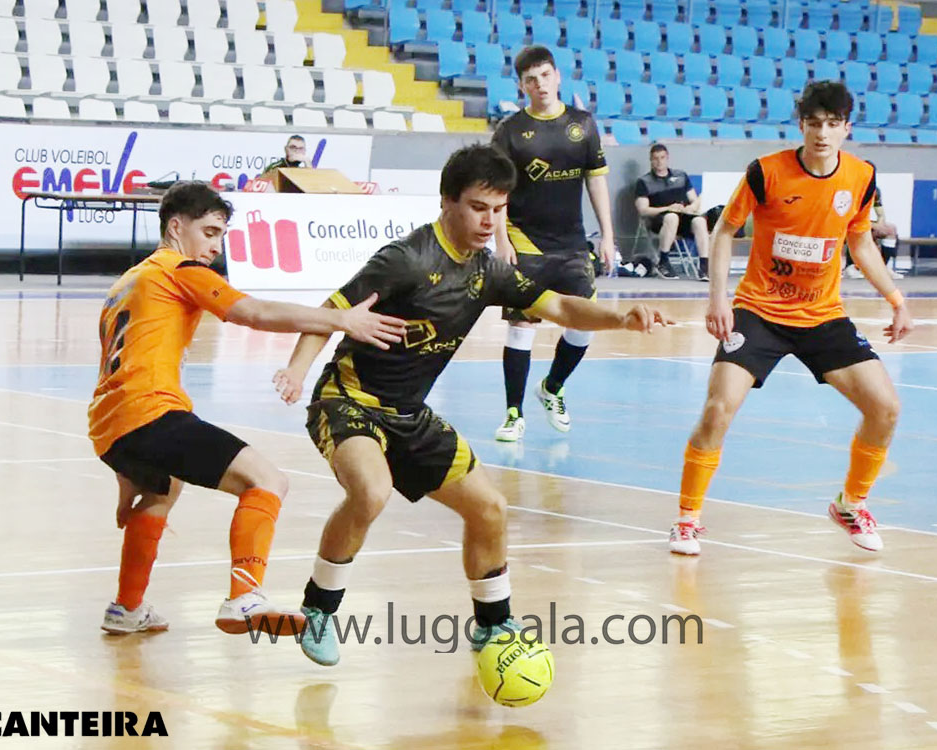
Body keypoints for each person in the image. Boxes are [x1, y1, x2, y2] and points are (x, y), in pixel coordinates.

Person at [273, 145, 671, 666]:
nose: (490, 221)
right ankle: (319, 608)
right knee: (371, 491)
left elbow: (559, 306)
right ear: (447, 202)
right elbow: (330, 311)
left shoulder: (489, 272)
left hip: (408, 412)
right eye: (479, 207)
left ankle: (493, 624)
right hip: (348, 400)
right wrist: (297, 371)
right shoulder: (406, 259)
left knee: (489, 508)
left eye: (499, 209)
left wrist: (619, 318)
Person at [90, 181, 406, 635]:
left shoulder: (126, 282)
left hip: (111, 423)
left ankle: (127, 608)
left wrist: (127, 472)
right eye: (209, 233)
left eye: (221, 236)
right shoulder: (180, 268)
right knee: (268, 481)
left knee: (163, 490)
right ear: (175, 227)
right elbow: (253, 313)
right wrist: (341, 319)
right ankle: (243, 597)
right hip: (149, 411)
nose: (216, 247)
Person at [668, 81, 914, 557]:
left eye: (832, 124)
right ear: (801, 125)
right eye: (814, 124)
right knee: (718, 409)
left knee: (885, 409)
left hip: (822, 315)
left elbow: (860, 241)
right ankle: (686, 519)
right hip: (759, 311)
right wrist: (718, 299)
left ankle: (851, 504)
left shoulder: (861, 177)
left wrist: (896, 298)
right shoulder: (766, 172)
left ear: (847, 128)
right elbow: (725, 231)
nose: (822, 134)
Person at [490, 45, 617, 443]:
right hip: (524, 239)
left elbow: (596, 181)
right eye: (531, 79)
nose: (540, 84)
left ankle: (552, 387)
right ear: (521, 86)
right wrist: (500, 240)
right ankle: (514, 414)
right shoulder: (510, 131)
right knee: (521, 327)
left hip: (573, 244)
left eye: (545, 76)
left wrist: (608, 235)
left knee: (585, 325)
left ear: (558, 76)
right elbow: (497, 191)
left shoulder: (583, 124)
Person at [634, 143, 710, 280]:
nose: (659, 162)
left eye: (662, 158)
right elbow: (643, 210)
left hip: (683, 217)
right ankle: (663, 261)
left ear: (667, 158)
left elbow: (694, 200)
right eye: (655, 158)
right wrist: (668, 208)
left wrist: (692, 207)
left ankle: (704, 265)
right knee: (672, 217)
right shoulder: (644, 181)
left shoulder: (681, 176)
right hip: (659, 219)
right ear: (651, 160)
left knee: (699, 221)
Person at [844, 186, 902, 280]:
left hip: (863, 223)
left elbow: (881, 215)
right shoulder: (852, 190)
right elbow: (848, 216)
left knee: (891, 229)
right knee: (858, 230)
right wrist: (869, 225)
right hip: (846, 224)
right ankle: (850, 267)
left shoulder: (875, 191)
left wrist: (879, 225)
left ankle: (882, 267)